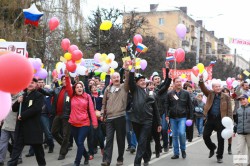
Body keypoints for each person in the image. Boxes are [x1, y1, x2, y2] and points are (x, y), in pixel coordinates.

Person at [7, 78, 46, 166]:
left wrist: (23, 115)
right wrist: (18, 101)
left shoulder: (39, 95)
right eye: (28, 83)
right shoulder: (23, 95)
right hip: (21, 128)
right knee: (16, 151)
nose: (30, 84)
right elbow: (14, 109)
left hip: (33, 128)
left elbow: (36, 109)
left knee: (38, 151)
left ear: (36, 84)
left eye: (32, 83)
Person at [129, 65, 162, 166]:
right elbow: (130, 80)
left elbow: (155, 109)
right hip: (135, 120)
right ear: (137, 83)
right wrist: (132, 68)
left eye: (144, 80)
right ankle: (146, 157)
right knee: (142, 141)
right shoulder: (135, 90)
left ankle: (137, 163)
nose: (143, 81)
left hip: (147, 121)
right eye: (140, 80)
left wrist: (159, 123)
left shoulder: (151, 93)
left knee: (143, 141)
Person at [64, 70, 98, 166]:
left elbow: (91, 110)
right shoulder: (72, 96)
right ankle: (86, 156)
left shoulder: (87, 96)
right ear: (74, 89)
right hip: (73, 123)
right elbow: (68, 87)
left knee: (79, 142)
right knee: (80, 144)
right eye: (77, 87)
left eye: (81, 87)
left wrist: (94, 122)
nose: (79, 88)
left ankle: (77, 162)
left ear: (83, 88)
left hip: (84, 123)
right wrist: (67, 77)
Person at [100, 62, 129, 166]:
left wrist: (126, 69)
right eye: (114, 77)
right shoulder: (108, 89)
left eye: (118, 77)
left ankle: (120, 159)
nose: (116, 79)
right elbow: (104, 103)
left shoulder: (124, 87)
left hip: (120, 117)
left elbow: (128, 79)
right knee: (109, 140)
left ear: (120, 78)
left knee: (120, 140)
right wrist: (103, 113)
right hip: (109, 118)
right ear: (111, 79)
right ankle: (107, 160)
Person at [199, 75, 232, 163]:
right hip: (210, 119)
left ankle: (219, 156)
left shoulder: (226, 97)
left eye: (219, 86)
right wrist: (201, 80)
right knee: (205, 136)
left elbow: (229, 111)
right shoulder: (210, 94)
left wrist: (230, 123)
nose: (218, 88)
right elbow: (203, 88)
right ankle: (212, 147)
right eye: (216, 86)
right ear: (213, 88)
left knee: (221, 139)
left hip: (221, 120)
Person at [165, 77, 193, 159]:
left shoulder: (186, 93)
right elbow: (166, 105)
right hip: (173, 118)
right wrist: (167, 115)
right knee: (174, 136)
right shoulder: (170, 94)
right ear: (174, 83)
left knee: (181, 133)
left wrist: (191, 117)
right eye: (177, 82)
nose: (179, 83)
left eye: (180, 82)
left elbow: (190, 106)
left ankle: (183, 150)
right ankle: (176, 153)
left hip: (182, 117)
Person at [51, 75, 72, 160]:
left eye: (66, 79)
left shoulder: (71, 90)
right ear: (61, 81)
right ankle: (66, 145)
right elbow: (48, 93)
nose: (65, 81)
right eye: (63, 80)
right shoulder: (58, 89)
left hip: (66, 116)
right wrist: (39, 88)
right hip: (58, 114)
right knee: (53, 132)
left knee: (65, 134)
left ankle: (62, 152)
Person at [0, 93, 22, 166]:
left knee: (16, 143)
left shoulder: (21, 98)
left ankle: (18, 158)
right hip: (5, 125)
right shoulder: (5, 97)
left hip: (15, 126)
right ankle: (1, 160)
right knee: (2, 144)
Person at [234, 94, 250, 166]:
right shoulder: (238, 110)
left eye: (243, 99)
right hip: (240, 132)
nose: (242, 101)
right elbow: (236, 121)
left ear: (247, 99)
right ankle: (239, 164)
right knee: (239, 149)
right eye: (240, 100)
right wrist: (235, 130)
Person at [221, 88, 234, 155]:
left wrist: (231, 119)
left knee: (229, 134)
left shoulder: (231, 100)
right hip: (222, 119)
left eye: (227, 92)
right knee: (221, 134)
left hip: (229, 119)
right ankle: (221, 148)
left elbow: (232, 110)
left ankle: (229, 147)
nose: (226, 94)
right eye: (224, 92)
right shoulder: (221, 100)